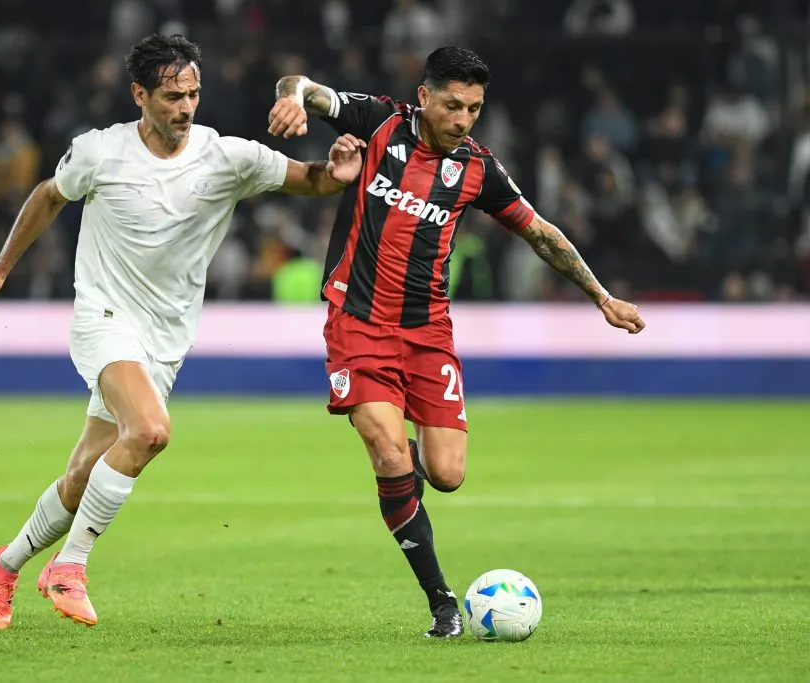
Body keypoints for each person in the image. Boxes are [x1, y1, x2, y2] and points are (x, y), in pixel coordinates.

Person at [0, 33, 366, 630]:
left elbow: (307, 179)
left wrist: (336, 172)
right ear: (140, 95)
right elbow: (49, 197)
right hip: (104, 317)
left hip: (166, 337)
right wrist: (0, 267)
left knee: (82, 477)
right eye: (173, 95)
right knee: (150, 432)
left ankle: (6, 566)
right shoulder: (100, 153)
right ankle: (69, 566)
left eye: (194, 94)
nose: (185, 107)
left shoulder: (227, 157)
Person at [267, 46, 645, 638]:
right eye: (452, 105)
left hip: (428, 335)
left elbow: (541, 234)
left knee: (445, 474)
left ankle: (400, 481)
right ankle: (442, 601)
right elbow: (302, 83)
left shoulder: (478, 169)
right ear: (424, 96)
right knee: (390, 455)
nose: (463, 119)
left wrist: (600, 296)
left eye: (473, 108)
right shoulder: (378, 122)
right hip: (358, 324)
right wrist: (290, 99)